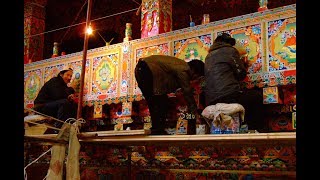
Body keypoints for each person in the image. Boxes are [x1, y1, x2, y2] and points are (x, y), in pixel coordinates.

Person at [203, 33, 266, 132]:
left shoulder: (208, 56)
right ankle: (255, 130)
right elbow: (241, 74)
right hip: (228, 95)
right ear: (228, 43)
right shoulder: (230, 51)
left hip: (210, 99)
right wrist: (244, 64)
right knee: (256, 96)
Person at [134, 55, 204, 135]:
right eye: (196, 77)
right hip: (147, 69)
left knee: (156, 101)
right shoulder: (184, 68)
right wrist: (194, 112)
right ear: (194, 70)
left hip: (141, 70)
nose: (193, 79)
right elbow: (187, 91)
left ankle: (157, 129)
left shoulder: (179, 65)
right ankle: (157, 130)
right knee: (158, 101)